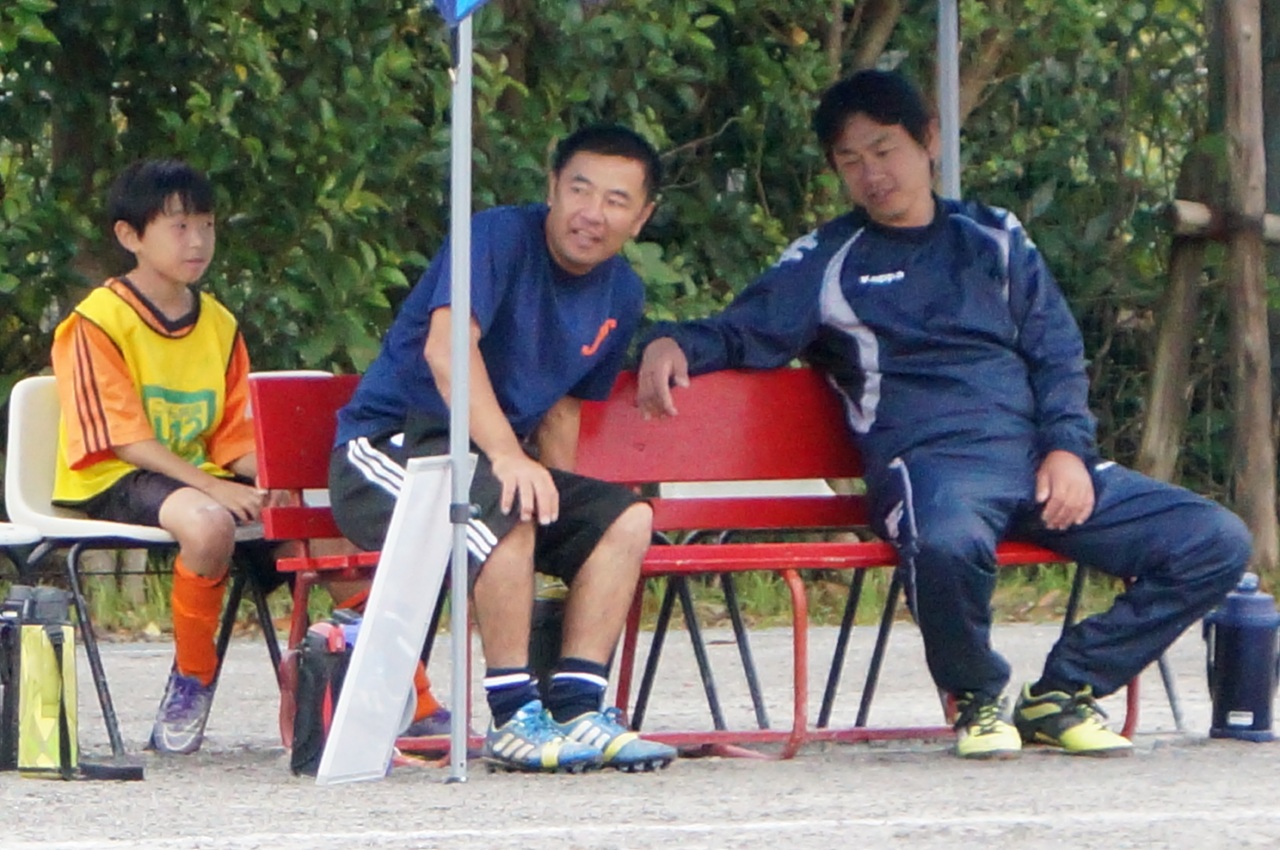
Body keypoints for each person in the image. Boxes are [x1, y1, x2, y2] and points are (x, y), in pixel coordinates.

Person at [636, 69, 1252, 760]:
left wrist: (1067, 451)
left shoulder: (995, 237)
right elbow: (740, 331)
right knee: (948, 541)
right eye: (851, 160)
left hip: (1036, 465)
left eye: (885, 149)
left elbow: (1057, 354)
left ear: (928, 141)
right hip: (929, 470)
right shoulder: (829, 260)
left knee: (1213, 539)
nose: (873, 174)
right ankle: (977, 697)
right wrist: (670, 343)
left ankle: (1064, 691)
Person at [49, 160, 445, 754]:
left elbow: (232, 436)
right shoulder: (95, 322)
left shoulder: (219, 323)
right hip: (115, 476)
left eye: (206, 225)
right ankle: (192, 677)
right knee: (209, 524)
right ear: (130, 236)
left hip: (195, 478)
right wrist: (214, 488)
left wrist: (272, 477)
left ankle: (415, 698)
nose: (198, 241)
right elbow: (123, 439)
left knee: (324, 532)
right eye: (179, 226)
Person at [329, 126, 678, 773]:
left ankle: (576, 708)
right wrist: (511, 460)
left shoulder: (622, 293)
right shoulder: (494, 238)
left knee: (627, 519)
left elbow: (563, 409)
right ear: (552, 188)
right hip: (392, 448)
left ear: (641, 216)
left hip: (488, 464)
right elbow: (447, 351)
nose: (592, 213)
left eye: (615, 200)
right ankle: (514, 717)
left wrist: (559, 517)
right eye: (579, 190)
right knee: (505, 504)